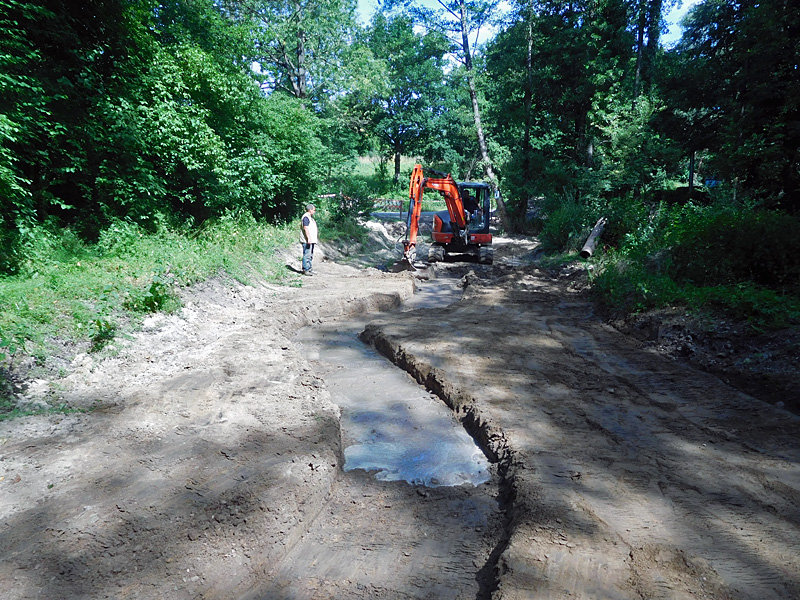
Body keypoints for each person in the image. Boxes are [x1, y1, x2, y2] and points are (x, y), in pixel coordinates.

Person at [299, 203, 318, 275]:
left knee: (310, 254)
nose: (314, 211)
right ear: (310, 210)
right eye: (314, 210)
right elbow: (305, 228)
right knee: (307, 254)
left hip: (311, 240)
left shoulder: (310, 217)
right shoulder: (306, 217)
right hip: (307, 240)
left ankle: (309, 268)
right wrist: (309, 239)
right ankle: (306, 269)